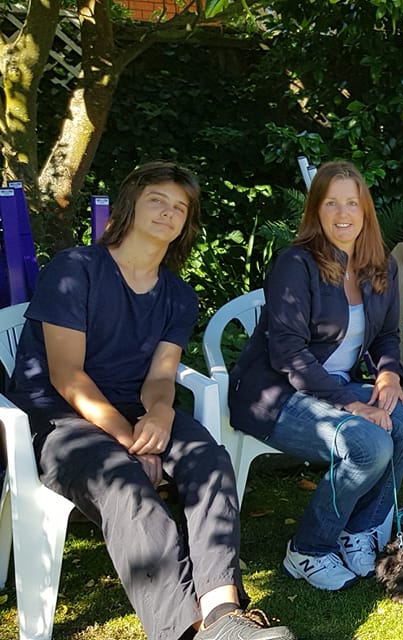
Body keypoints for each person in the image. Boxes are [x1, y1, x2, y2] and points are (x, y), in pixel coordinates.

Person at [8, 162, 296, 639]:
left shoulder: (178, 295)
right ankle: (184, 631)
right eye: (157, 200)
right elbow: (67, 376)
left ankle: (222, 614)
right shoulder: (76, 269)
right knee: (122, 482)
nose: (168, 212)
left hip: (135, 407)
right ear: (130, 206)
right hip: (59, 418)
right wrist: (129, 441)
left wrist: (160, 413)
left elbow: (161, 375)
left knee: (210, 461)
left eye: (180, 207)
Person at [229, 161, 403, 591]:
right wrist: (353, 405)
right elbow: (287, 352)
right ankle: (308, 549)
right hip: (274, 394)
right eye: (331, 203)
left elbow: (387, 337)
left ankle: (358, 530)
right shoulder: (296, 264)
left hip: (336, 387)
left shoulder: (381, 266)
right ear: (315, 210)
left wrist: (389, 376)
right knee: (368, 444)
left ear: (366, 210)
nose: (343, 213)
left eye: (352, 203)